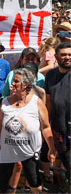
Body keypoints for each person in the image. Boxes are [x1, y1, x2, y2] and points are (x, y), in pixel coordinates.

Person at [0, 68, 57, 193]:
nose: (12, 84)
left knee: (34, 181)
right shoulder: (5, 102)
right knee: (2, 183)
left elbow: (46, 126)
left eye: (16, 81)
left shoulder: (36, 102)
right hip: (7, 150)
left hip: (30, 151)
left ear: (25, 84)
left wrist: (51, 148)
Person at [44, 41, 71, 189]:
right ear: (56, 57)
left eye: (69, 55)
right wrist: (47, 125)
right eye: (64, 55)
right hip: (58, 130)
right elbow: (48, 103)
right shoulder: (50, 75)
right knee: (62, 164)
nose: (67, 57)